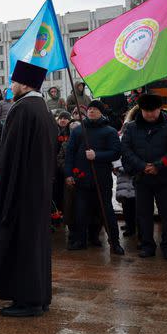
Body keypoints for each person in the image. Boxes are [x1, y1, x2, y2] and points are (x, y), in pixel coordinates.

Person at [0, 61, 58, 317]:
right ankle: (40, 296)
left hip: (20, 192)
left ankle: (28, 301)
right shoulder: (42, 109)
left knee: (23, 245)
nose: (11, 87)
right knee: (36, 244)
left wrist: (0, 191)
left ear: (24, 84)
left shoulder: (21, 109)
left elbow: (8, 156)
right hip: (37, 190)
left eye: (13, 82)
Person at [121, 94, 167, 260]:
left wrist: (159, 165)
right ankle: (147, 244)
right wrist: (143, 166)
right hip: (142, 178)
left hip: (165, 177)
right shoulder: (131, 128)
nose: (150, 114)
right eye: (146, 111)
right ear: (141, 110)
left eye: (153, 111)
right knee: (143, 214)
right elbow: (126, 150)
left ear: (159, 109)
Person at [64, 100, 124, 254]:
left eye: (94, 109)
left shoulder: (109, 131)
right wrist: (69, 173)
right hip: (82, 178)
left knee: (106, 211)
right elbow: (70, 153)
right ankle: (79, 240)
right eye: (89, 108)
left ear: (101, 112)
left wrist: (97, 155)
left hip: (102, 179)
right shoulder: (78, 131)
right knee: (81, 210)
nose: (91, 111)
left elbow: (116, 152)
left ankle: (114, 243)